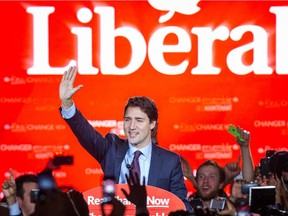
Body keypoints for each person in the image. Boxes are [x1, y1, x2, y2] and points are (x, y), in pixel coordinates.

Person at [59, 66, 191, 210]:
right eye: (128, 119)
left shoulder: (170, 161)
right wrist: (67, 103)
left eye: (139, 120)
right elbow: (86, 134)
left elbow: (181, 205)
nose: (132, 126)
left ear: (152, 124)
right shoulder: (111, 149)